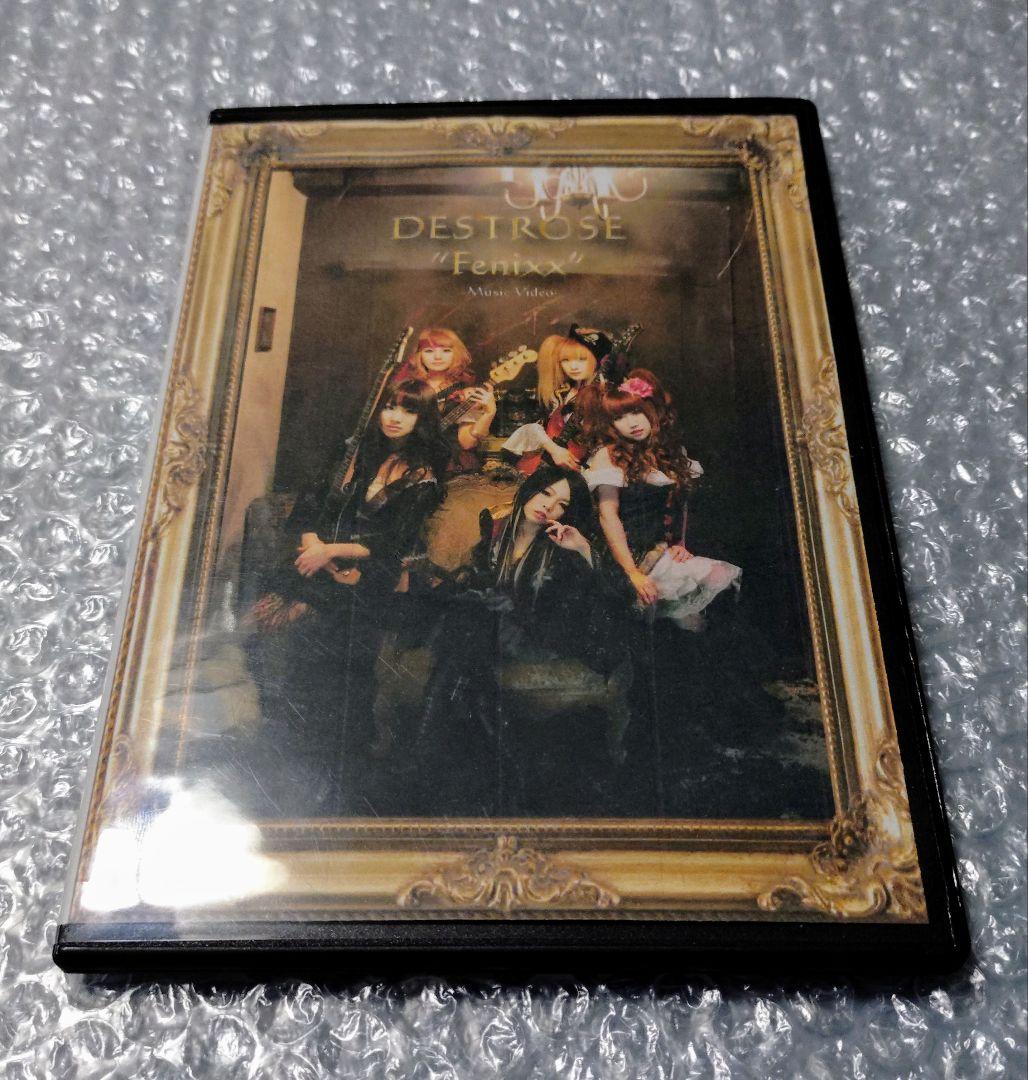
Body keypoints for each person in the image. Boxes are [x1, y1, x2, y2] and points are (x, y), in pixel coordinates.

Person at [244, 379, 447, 811]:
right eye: (389, 407)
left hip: (376, 571)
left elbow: (391, 543)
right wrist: (314, 543)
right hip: (322, 560)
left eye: (408, 410)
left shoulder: (424, 476)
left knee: (339, 634)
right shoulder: (356, 454)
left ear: (423, 419)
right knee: (291, 619)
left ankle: (344, 756)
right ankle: (293, 740)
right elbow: (309, 507)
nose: (394, 417)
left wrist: (330, 552)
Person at [582, 369, 741, 627]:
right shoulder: (608, 456)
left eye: (637, 412)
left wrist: (680, 543)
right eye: (620, 418)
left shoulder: (671, 451)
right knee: (670, 620)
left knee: (716, 582)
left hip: (661, 550)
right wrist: (632, 573)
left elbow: (681, 504)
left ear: (651, 411)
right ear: (611, 425)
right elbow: (608, 516)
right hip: (626, 556)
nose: (632, 423)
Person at [394, 326, 496, 472]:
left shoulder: (466, 393)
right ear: (419, 355)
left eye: (446, 350)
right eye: (429, 351)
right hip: (408, 462)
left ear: (456, 353)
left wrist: (489, 413)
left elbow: (467, 443)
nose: (437, 357)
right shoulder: (409, 388)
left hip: (448, 466)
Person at [500, 329, 601, 474]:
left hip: (582, 463)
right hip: (547, 458)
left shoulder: (601, 392)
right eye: (565, 360)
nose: (573, 367)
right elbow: (538, 428)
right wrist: (553, 449)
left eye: (581, 359)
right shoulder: (563, 391)